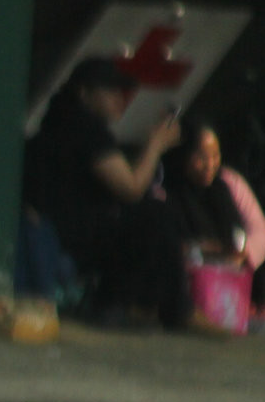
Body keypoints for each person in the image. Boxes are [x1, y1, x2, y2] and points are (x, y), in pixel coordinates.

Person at [21, 56, 187, 326]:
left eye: (121, 91)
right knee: (155, 215)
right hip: (72, 237)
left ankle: (141, 306)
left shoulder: (59, 122)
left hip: (67, 230)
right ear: (84, 92)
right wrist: (156, 144)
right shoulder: (82, 127)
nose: (119, 98)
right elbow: (130, 188)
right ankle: (151, 308)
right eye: (110, 90)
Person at [165, 121, 265, 324]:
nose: (210, 164)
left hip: (241, 270)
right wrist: (210, 253)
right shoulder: (167, 192)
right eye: (201, 157)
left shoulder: (228, 181)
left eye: (215, 156)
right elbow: (170, 247)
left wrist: (242, 256)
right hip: (198, 276)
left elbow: (260, 231)